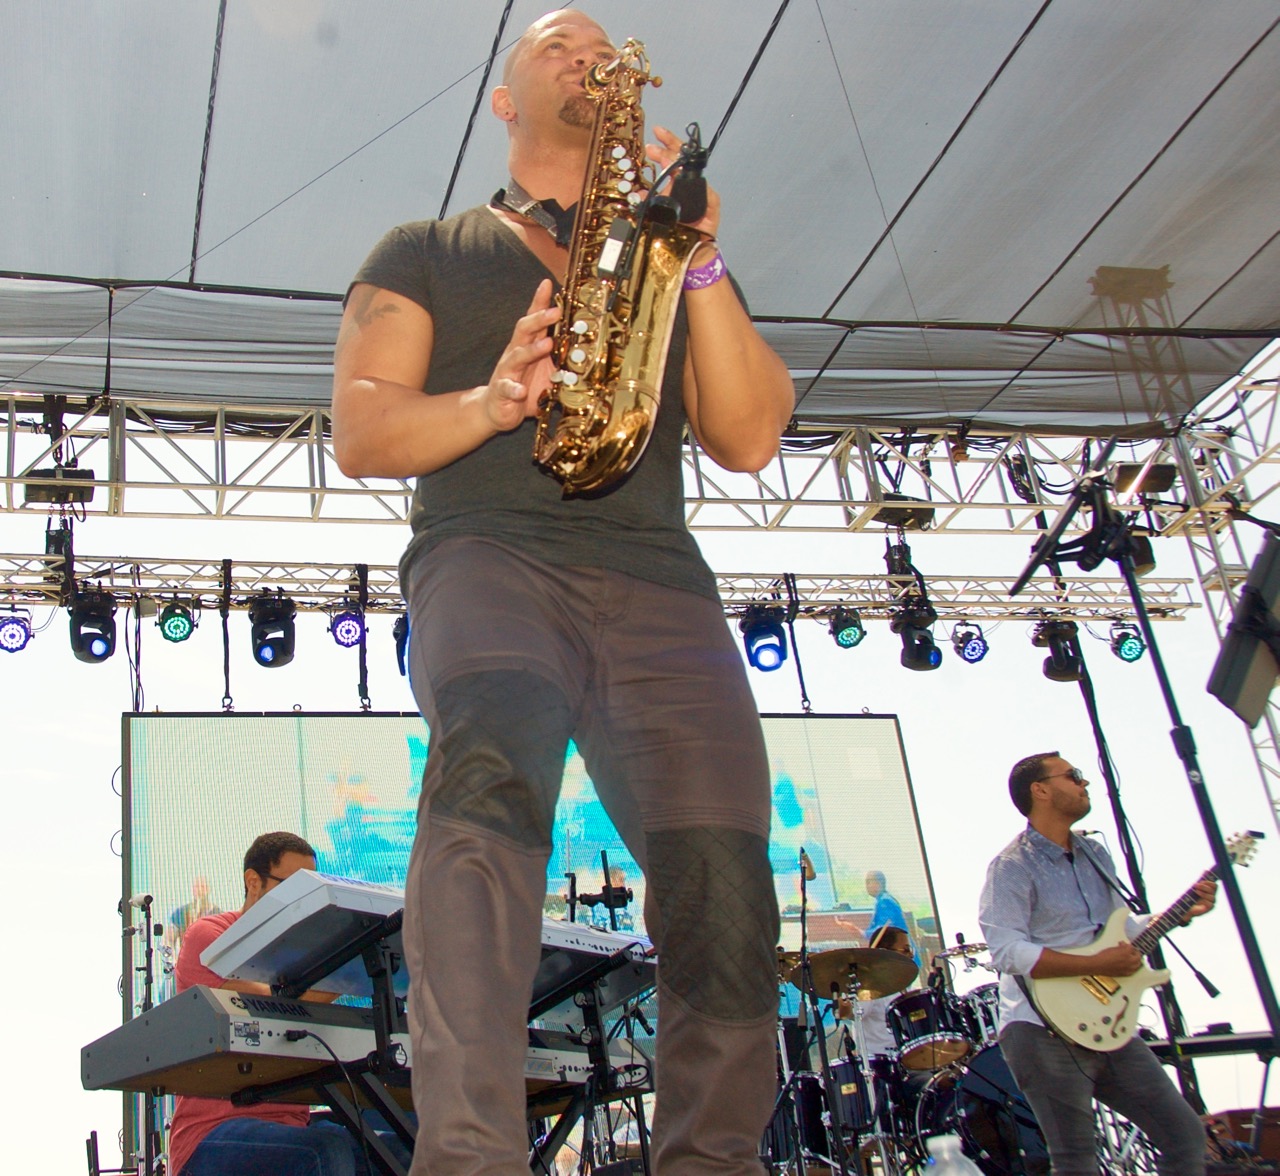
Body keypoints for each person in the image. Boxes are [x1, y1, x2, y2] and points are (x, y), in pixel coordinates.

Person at [331, 9, 795, 1176]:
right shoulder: (425, 247)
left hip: (661, 582)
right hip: (488, 552)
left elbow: (748, 436)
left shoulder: (669, 256)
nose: (585, 54)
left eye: (600, 46)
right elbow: (364, 430)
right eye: (554, 44)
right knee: (490, 771)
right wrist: (489, 403)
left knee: (726, 879)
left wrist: (698, 258)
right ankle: (470, 1156)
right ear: (503, 100)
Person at [978, 753, 1215, 1175]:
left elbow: (1117, 930)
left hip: (1107, 1020)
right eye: (1074, 776)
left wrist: (1178, 912)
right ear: (1040, 790)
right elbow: (1007, 951)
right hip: (1041, 1029)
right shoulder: (1011, 866)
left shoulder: (1095, 854)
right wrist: (1097, 962)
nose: (1084, 783)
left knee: (1184, 1135)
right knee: (1076, 1161)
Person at [168, 832, 390, 1176]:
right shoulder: (210, 935)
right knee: (327, 1150)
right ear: (253, 882)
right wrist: (348, 964)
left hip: (292, 1128)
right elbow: (274, 1002)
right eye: (294, 887)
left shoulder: (308, 956)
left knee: (401, 1149)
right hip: (212, 1134)